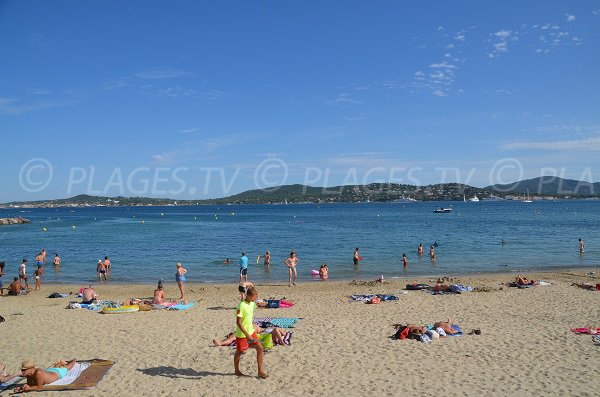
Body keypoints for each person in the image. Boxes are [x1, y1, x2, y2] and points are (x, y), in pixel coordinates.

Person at [234, 287, 268, 379]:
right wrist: (247, 335)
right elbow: (238, 322)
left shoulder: (252, 303)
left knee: (260, 348)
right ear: (249, 296)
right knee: (240, 351)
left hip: (251, 331)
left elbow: (256, 306)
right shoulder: (241, 306)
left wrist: (263, 304)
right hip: (242, 333)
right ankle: (236, 370)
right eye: (255, 296)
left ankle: (260, 371)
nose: (256, 297)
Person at [214, 323, 286, 347]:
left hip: (264, 335)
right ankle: (222, 341)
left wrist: (281, 339)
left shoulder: (276, 330)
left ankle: (222, 342)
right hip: (259, 332)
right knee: (238, 332)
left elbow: (284, 334)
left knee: (238, 334)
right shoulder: (267, 328)